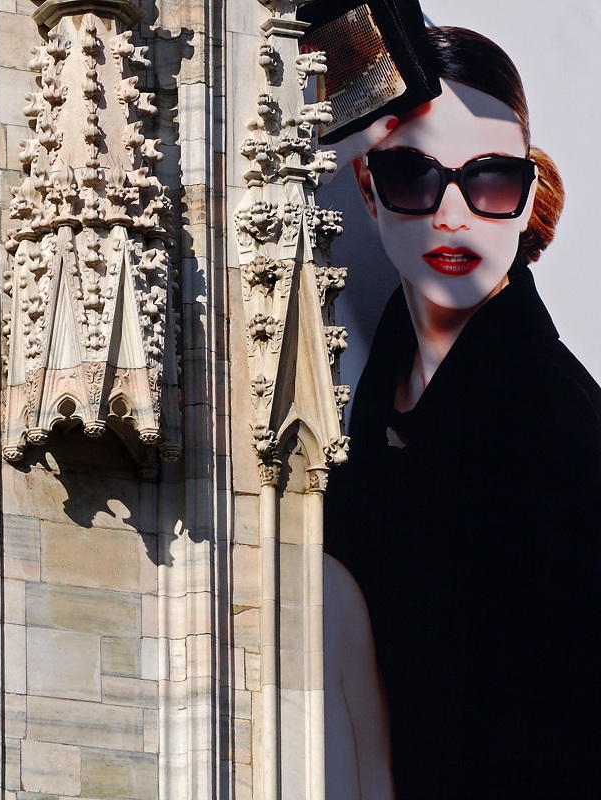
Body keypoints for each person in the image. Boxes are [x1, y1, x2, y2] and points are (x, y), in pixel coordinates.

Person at [322, 26, 601, 799]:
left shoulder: (554, 421)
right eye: (415, 176)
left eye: (490, 181)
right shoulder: (380, 383)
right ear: (371, 189)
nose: (451, 216)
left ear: (527, 196)